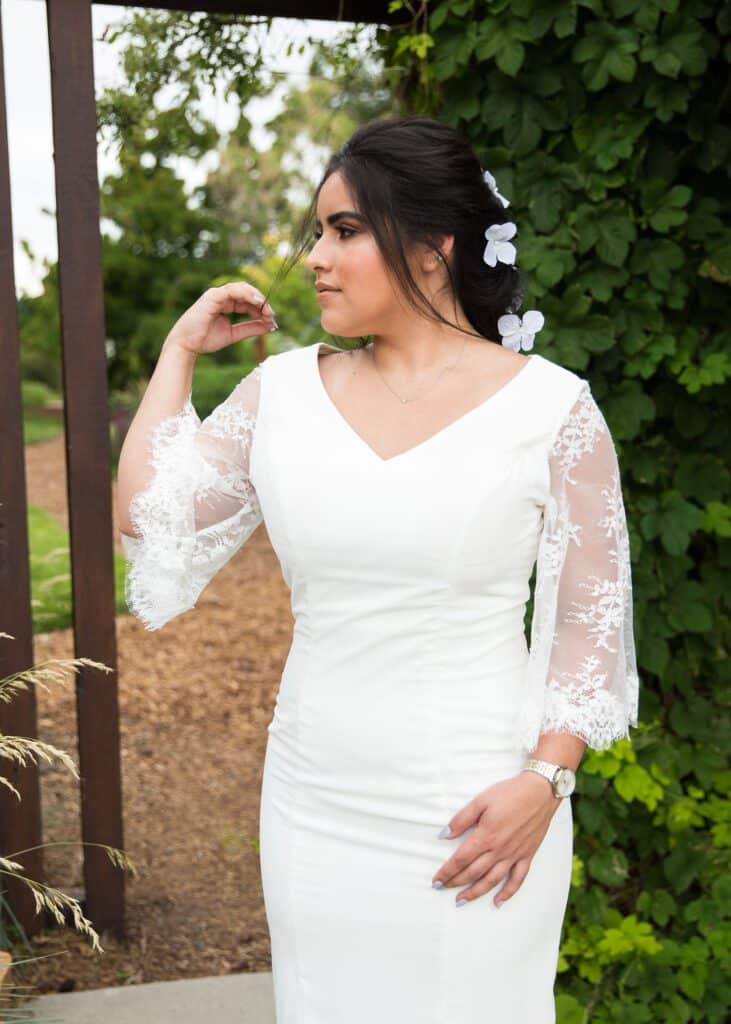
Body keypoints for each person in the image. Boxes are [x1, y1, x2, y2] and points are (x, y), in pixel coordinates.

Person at [117, 115, 640, 1023]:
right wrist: (179, 354)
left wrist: (546, 782)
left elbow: (589, 623)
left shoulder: (552, 410)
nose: (315, 256)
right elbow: (147, 519)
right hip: (313, 807)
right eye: (318, 231)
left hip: (484, 807)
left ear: (433, 247)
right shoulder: (278, 396)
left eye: (345, 230)